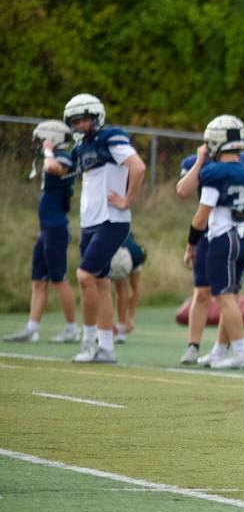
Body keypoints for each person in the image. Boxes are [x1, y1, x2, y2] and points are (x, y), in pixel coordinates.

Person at [52, 94, 146, 363]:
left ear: (96, 117)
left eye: (84, 119)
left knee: (84, 276)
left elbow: (137, 167)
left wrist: (127, 200)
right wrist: (48, 150)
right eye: (75, 121)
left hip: (112, 220)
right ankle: (106, 348)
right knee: (101, 282)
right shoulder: (80, 148)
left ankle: (89, 342)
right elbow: (60, 169)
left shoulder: (110, 137)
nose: (80, 125)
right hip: (91, 221)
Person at [183, 115, 244, 370]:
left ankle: (241, 354)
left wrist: (191, 244)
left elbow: (201, 216)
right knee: (230, 296)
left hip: (223, 237)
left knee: (225, 298)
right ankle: (219, 351)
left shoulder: (214, 172)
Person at [4, 120, 80, 344]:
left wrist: (48, 150)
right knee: (38, 280)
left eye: (42, 139)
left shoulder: (62, 155)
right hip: (45, 229)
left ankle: (72, 329)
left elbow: (53, 168)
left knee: (59, 279)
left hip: (56, 228)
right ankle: (32, 328)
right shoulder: (54, 154)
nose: (39, 144)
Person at [109, 231, 146, 344]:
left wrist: (130, 319)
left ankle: (116, 328)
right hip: (132, 251)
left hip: (128, 254)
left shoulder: (136, 254)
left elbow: (135, 288)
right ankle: (118, 328)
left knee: (118, 287)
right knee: (122, 286)